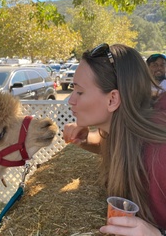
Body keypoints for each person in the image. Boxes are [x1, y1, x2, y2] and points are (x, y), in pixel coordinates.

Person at [63, 43, 166, 235]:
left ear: (112, 100)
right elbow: (110, 143)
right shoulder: (130, 133)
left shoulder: (160, 157)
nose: (71, 100)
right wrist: (86, 140)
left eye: (79, 91)